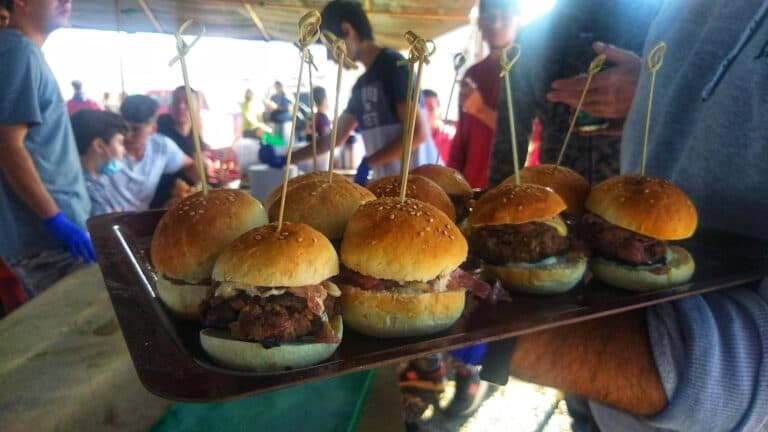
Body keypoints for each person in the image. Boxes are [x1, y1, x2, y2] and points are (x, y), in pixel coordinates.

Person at [483, 2, 768, 431]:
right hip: (575, 266)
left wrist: (494, 338)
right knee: (583, 411)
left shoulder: (642, 14)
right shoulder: (661, 15)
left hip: (629, 354)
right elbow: (509, 149)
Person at [260, 0, 438, 185]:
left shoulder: (395, 66)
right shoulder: (361, 86)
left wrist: (369, 163)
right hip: (390, 186)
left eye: (328, 45)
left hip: (421, 185)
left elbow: (418, 133)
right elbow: (334, 138)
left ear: (347, 30)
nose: (330, 57)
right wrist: (286, 158)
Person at [487, 0, 661, 187]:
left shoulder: (662, 26)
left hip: (641, 198)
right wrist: (496, 208)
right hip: (557, 199)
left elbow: (693, 111)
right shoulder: (532, 38)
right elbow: (509, 141)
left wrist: (652, 91)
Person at [0, 0, 95, 301]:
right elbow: (7, 146)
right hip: (47, 240)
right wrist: (56, 221)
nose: (66, 1)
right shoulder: (18, 52)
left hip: (45, 237)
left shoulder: (22, 51)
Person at [447, 0, 519, 189]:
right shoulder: (472, 73)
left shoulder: (529, 73)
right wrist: (451, 182)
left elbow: (533, 139)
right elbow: (461, 136)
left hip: (513, 190)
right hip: (471, 189)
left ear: (517, 19)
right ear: (480, 23)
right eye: (489, 17)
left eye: (503, 16)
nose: (496, 24)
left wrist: (480, 110)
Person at [111, 95, 198, 211]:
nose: (127, 135)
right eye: (124, 128)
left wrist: (192, 189)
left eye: (136, 129)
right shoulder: (108, 147)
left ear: (152, 129)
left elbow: (190, 165)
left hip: (141, 221)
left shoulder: (161, 147)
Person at [150, 86, 209, 209]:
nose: (181, 106)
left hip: (189, 202)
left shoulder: (195, 137)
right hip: (157, 203)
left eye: (187, 102)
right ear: (170, 105)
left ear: (196, 107)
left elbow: (201, 173)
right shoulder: (157, 131)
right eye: (177, 101)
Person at [72, 109, 128, 216]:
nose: (124, 151)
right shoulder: (85, 192)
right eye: (120, 143)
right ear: (99, 146)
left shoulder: (99, 181)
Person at [422, 89, 455, 164]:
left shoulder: (451, 138)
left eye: (431, 109)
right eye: (423, 109)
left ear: (439, 113)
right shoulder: (409, 138)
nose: (426, 113)